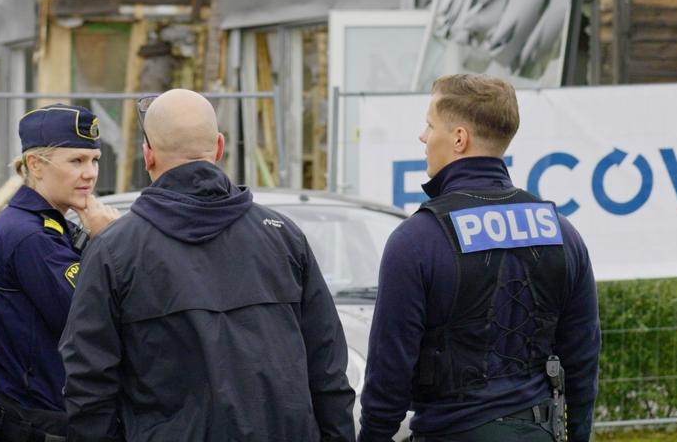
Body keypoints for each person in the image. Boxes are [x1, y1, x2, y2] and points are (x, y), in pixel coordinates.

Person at [60, 89, 357, 442]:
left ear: (148, 154)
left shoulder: (114, 250)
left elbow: (88, 386)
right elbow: (329, 371)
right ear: (218, 147)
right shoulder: (283, 239)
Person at [360, 75, 600, 442]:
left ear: (459, 138)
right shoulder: (562, 233)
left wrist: (374, 436)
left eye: (429, 125)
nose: (423, 137)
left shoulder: (417, 240)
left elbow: (389, 372)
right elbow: (583, 356)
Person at [0, 104, 120, 442]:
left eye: (94, 160)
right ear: (36, 165)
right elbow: (91, 321)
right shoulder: (31, 236)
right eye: (76, 161)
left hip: (38, 418)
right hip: (37, 424)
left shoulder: (44, 224)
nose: (90, 173)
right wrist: (105, 242)